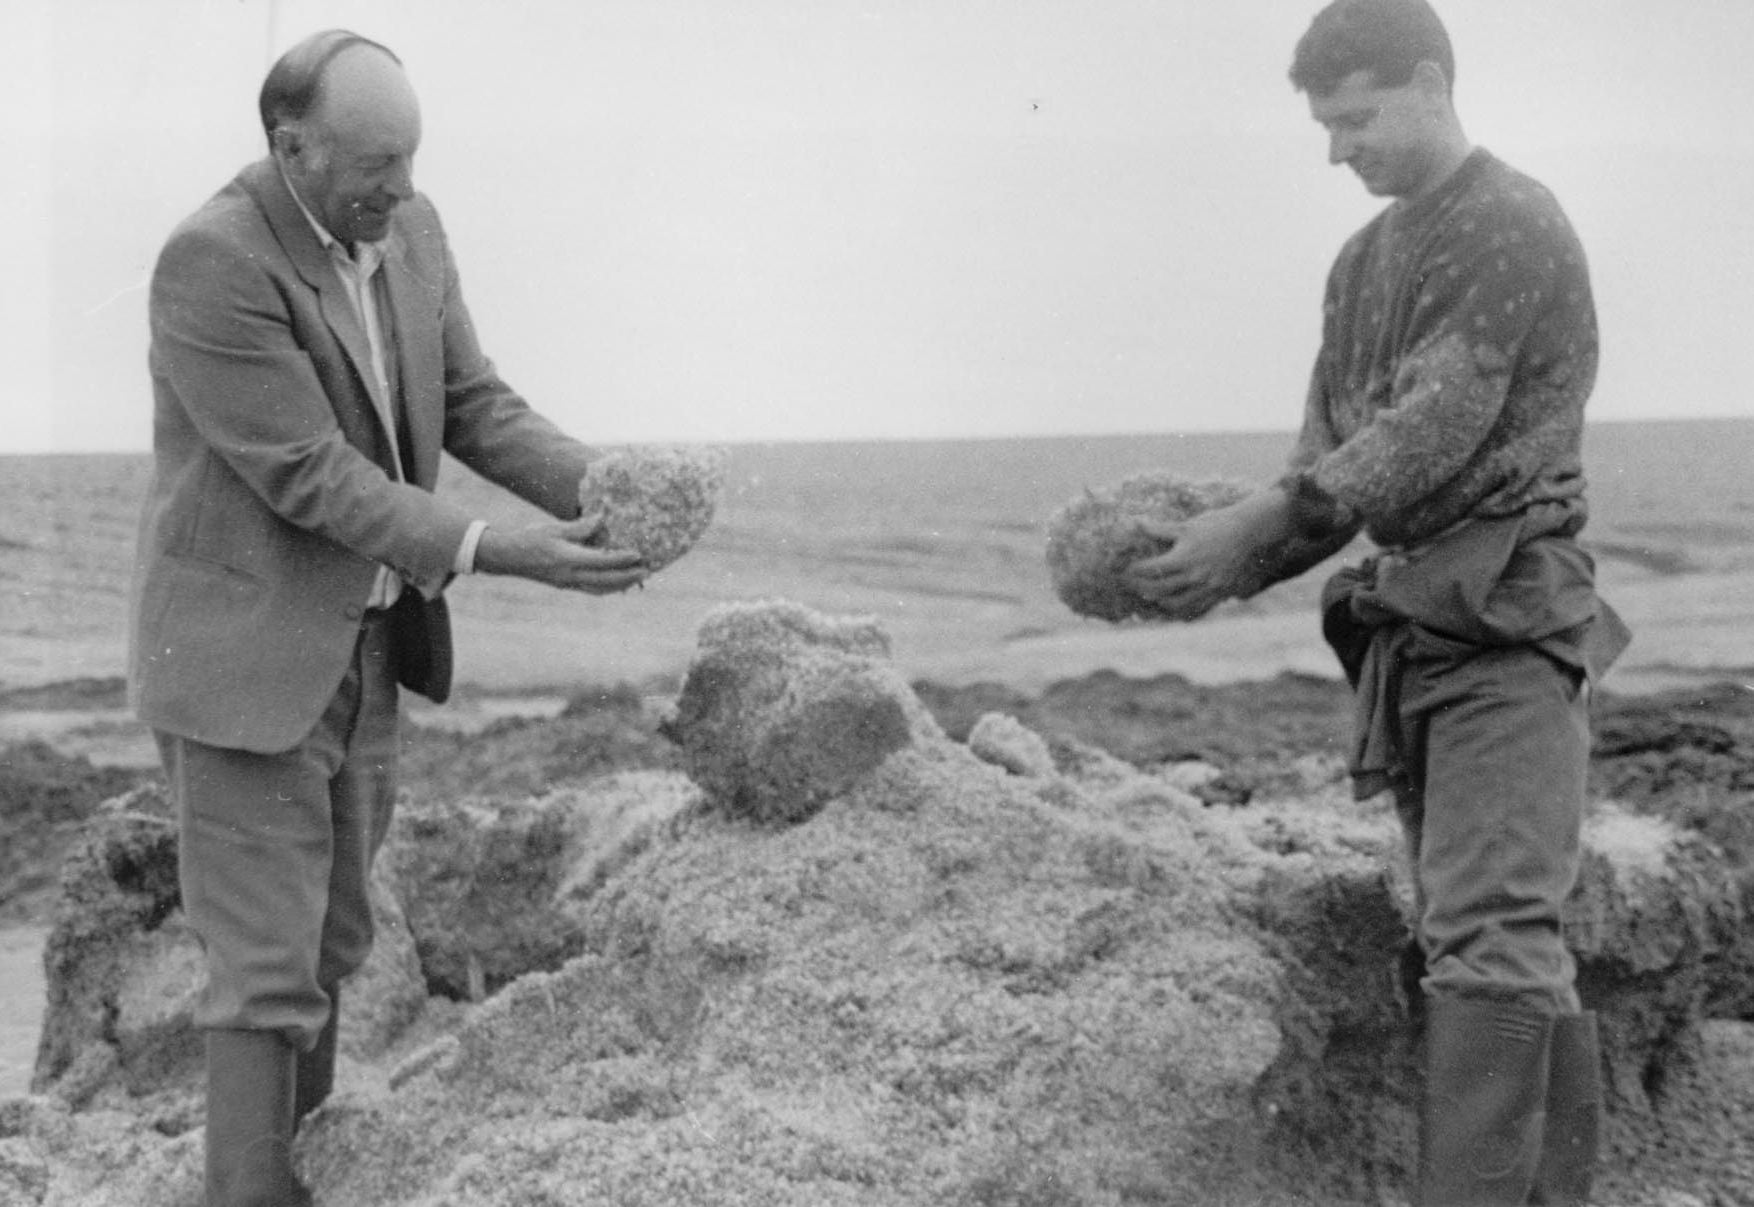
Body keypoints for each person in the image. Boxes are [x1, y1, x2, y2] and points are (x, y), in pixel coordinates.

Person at [130, 30, 651, 1206]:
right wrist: (488, 548)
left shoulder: (406, 229)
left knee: (329, 949)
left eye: (411, 158)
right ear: (290, 145)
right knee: (262, 978)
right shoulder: (210, 261)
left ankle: (290, 1181)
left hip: (367, 650)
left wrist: (609, 489)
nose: (402, 189)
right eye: (375, 164)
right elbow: (310, 472)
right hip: (243, 666)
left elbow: (472, 399)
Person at [1124, 1, 1629, 1203]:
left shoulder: (1507, 219)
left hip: (1507, 618)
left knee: (1493, 933)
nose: (1336, 151)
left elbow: (1432, 430)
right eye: (1323, 127)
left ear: (1424, 80)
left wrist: (1253, 525)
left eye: (1352, 119)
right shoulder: (1360, 265)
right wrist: (1208, 566)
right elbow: (1331, 463)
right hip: (1412, 630)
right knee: (1487, 934)